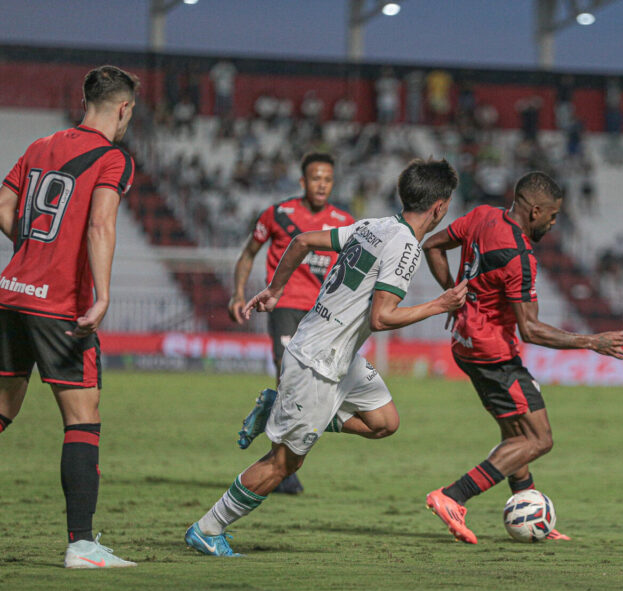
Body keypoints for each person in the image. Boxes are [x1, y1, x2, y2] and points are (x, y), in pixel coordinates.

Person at [185, 158, 467, 556]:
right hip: (318, 359)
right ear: (440, 206)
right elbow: (382, 316)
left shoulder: (374, 225)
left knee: (384, 422)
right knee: (284, 464)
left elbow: (301, 241)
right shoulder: (406, 247)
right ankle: (208, 527)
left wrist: (275, 289)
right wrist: (440, 305)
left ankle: (277, 409)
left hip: (339, 355)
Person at [421, 172, 623, 544]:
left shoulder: (481, 216)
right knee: (539, 438)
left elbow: (432, 245)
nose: (553, 224)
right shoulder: (519, 256)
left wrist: (455, 298)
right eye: (552, 217)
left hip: (466, 345)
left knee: (515, 434)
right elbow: (531, 330)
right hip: (494, 354)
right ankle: (453, 496)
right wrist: (590, 341)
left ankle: (530, 510)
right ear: (535, 210)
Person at [0, 65, 139, 568]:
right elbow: (100, 225)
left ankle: (84, 543)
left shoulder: (41, 145)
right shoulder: (111, 158)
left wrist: (32, 250)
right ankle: (82, 545)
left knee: (2, 411)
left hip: (12, 293)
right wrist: (101, 295)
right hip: (61, 307)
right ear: (123, 109)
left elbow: (3, 204)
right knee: (82, 418)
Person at [228, 152, 355, 494]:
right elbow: (247, 255)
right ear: (303, 182)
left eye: (327, 178)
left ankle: (277, 432)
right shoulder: (278, 215)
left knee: (315, 387)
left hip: (323, 313)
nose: (322, 184)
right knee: (289, 377)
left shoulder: (344, 219)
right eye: (315, 178)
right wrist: (238, 294)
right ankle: (282, 466)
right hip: (285, 307)